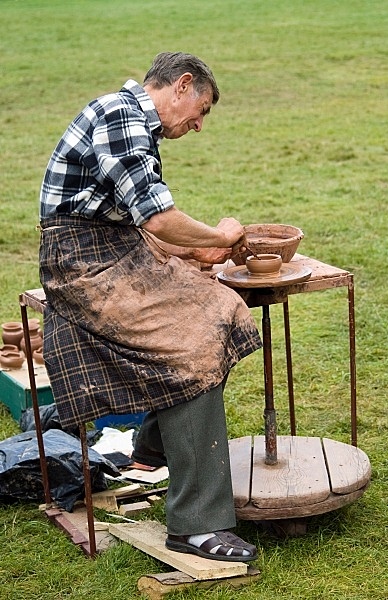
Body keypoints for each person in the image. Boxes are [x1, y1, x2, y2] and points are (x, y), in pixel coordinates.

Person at [39, 52, 262, 562]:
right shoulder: (120, 115)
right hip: (82, 269)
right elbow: (158, 218)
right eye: (201, 110)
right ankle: (196, 525)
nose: (198, 125)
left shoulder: (133, 122)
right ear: (182, 86)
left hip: (113, 253)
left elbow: (135, 220)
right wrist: (220, 235)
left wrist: (193, 251)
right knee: (193, 341)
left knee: (222, 309)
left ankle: (152, 452)